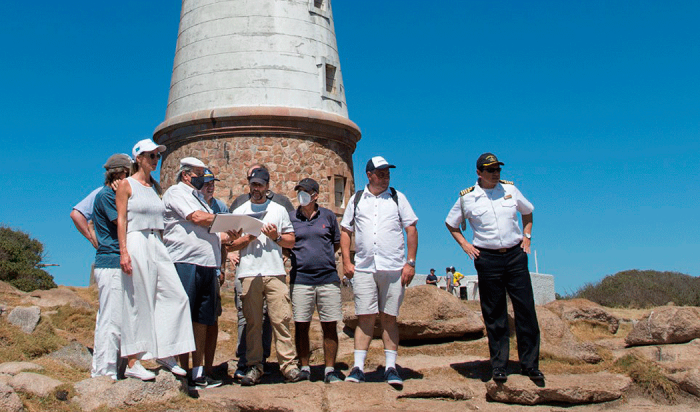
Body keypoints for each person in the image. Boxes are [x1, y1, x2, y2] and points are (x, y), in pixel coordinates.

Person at [445, 152, 542, 384]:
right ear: (479, 173)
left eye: (498, 169)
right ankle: (499, 365)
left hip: (515, 256)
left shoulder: (510, 190)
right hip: (487, 259)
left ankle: (530, 365)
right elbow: (451, 223)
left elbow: (528, 212)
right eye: (491, 170)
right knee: (494, 313)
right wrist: (466, 246)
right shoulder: (466, 198)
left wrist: (527, 236)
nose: (496, 173)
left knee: (526, 310)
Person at [116, 138, 195, 381]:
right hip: (137, 240)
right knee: (138, 299)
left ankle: (166, 351)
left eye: (157, 155)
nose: (155, 159)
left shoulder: (157, 188)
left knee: (176, 296)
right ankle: (133, 360)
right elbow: (121, 220)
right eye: (151, 155)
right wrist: (124, 251)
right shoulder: (126, 185)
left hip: (157, 243)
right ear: (139, 158)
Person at [340, 156, 418, 388]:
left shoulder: (397, 197)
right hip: (364, 267)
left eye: (387, 173)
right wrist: (346, 261)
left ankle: (391, 368)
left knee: (389, 317)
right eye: (381, 173)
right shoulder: (356, 199)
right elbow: (345, 230)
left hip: (393, 267)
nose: (386, 177)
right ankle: (358, 368)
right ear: (369, 175)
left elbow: (411, 229)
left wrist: (410, 263)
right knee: (365, 317)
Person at [163, 159, 239, 389]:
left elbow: (212, 228)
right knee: (183, 316)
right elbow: (196, 218)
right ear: (186, 175)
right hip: (185, 261)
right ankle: (181, 369)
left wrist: (234, 232)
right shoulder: (175, 193)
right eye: (198, 174)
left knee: (203, 319)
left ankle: (198, 372)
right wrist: (226, 222)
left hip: (208, 264)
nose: (202, 178)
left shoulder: (199, 199)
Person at [229, 167, 302, 386]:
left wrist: (276, 236)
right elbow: (230, 244)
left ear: (267, 186)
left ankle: (288, 365)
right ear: (249, 184)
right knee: (253, 323)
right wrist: (248, 239)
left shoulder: (279, 210)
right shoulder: (239, 211)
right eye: (253, 184)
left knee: (281, 319)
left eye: (260, 185)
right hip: (249, 272)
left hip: (274, 271)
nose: (256, 189)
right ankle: (254, 366)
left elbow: (291, 241)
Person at [289, 178, 343, 383]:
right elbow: (287, 244)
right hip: (301, 277)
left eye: (305, 191)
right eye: (299, 191)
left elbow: (336, 243)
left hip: (327, 277)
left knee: (329, 324)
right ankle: (304, 367)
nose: (301, 195)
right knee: (301, 324)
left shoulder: (328, 216)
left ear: (315, 195)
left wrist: (323, 257)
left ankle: (330, 369)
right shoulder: (291, 218)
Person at [90, 153, 132, 379]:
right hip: (112, 262)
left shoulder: (110, 195)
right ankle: (106, 373)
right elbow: (124, 222)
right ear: (120, 173)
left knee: (110, 319)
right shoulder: (107, 196)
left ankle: (105, 370)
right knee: (111, 320)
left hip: (112, 262)